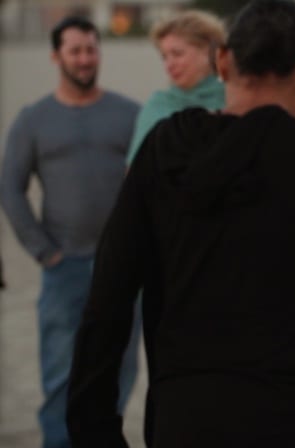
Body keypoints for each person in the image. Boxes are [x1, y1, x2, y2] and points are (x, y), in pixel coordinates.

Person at [66, 1, 295, 447]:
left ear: (222, 61)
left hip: (187, 414)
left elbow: (109, 293)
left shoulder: (164, 149)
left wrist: (94, 426)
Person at [0, 16, 140, 448]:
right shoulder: (34, 119)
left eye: (91, 49)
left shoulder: (130, 113)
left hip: (122, 270)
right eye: (75, 50)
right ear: (56, 55)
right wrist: (44, 251)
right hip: (65, 269)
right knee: (62, 376)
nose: (84, 59)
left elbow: (151, 185)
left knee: (120, 373)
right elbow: (10, 186)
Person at [126, 9, 226, 165]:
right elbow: (134, 172)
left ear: (208, 51)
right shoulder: (158, 105)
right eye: (164, 57)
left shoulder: (234, 100)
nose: (169, 65)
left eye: (177, 54)